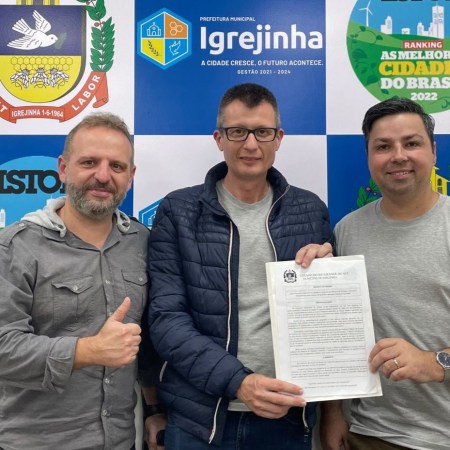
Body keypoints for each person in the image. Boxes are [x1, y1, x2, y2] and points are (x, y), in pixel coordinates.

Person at [148, 83, 333, 449]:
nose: (251, 144)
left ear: (278, 138)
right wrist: (239, 383)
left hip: (286, 414)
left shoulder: (311, 210)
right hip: (200, 419)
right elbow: (166, 320)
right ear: (219, 138)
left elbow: (329, 322)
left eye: (262, 132)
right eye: (238, 132)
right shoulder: (178, 211)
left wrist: (328, 277)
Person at [0, 112, 162, 450]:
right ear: (63, 168)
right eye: (89, 162)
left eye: (116, 166)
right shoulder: (15, 246)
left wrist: (155, 408)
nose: (103, 176)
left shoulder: (143, 243)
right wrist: (87, 350)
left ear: (130, 177)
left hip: (120, 441)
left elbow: (147, 345)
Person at [297, 97, 450, 450]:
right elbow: (336, 330)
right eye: (383, 146)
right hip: (369, 433)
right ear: (368, 157)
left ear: (433, 151)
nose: (398, 156)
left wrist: (435, 362)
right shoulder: (348, 230)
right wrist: (333, 412)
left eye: (411, 143)